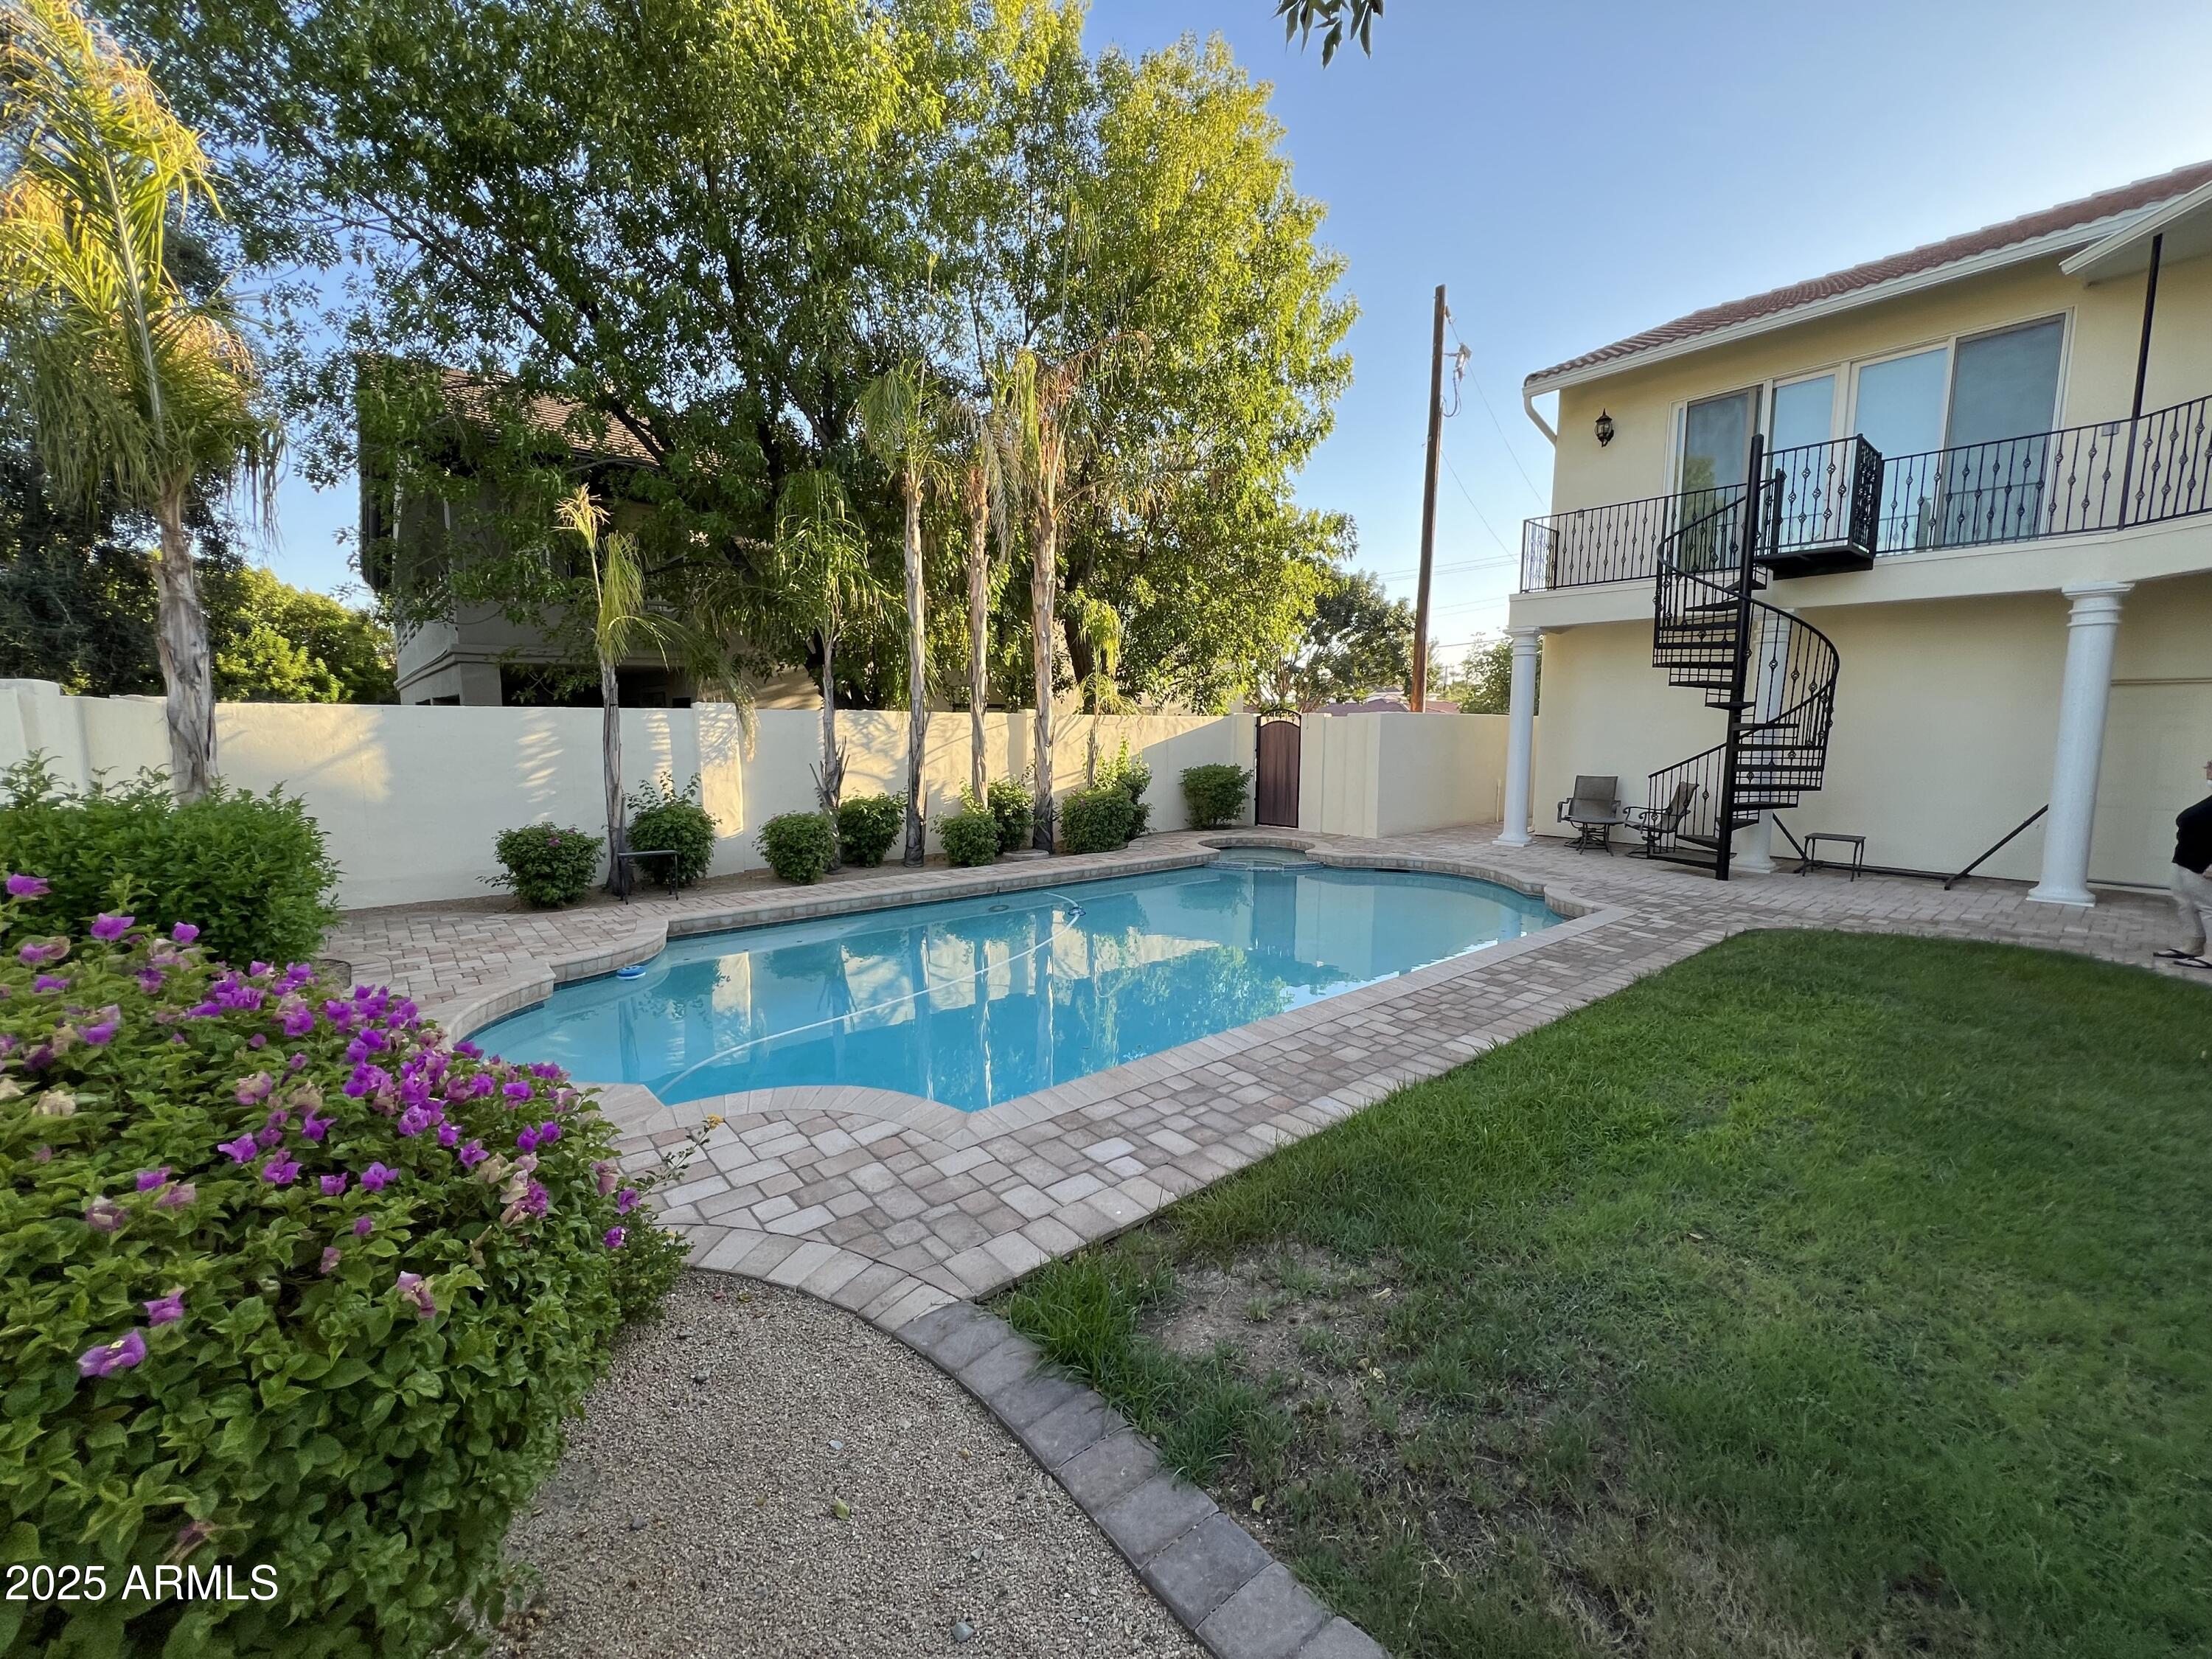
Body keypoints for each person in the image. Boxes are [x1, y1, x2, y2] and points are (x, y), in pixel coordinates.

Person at [2157, 759, 2212, 970]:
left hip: (2203, 864)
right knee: (2186, 903)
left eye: (2211, 766)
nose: (2207, 770)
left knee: (2208, 907)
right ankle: (2194, 944)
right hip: (2185, 859)